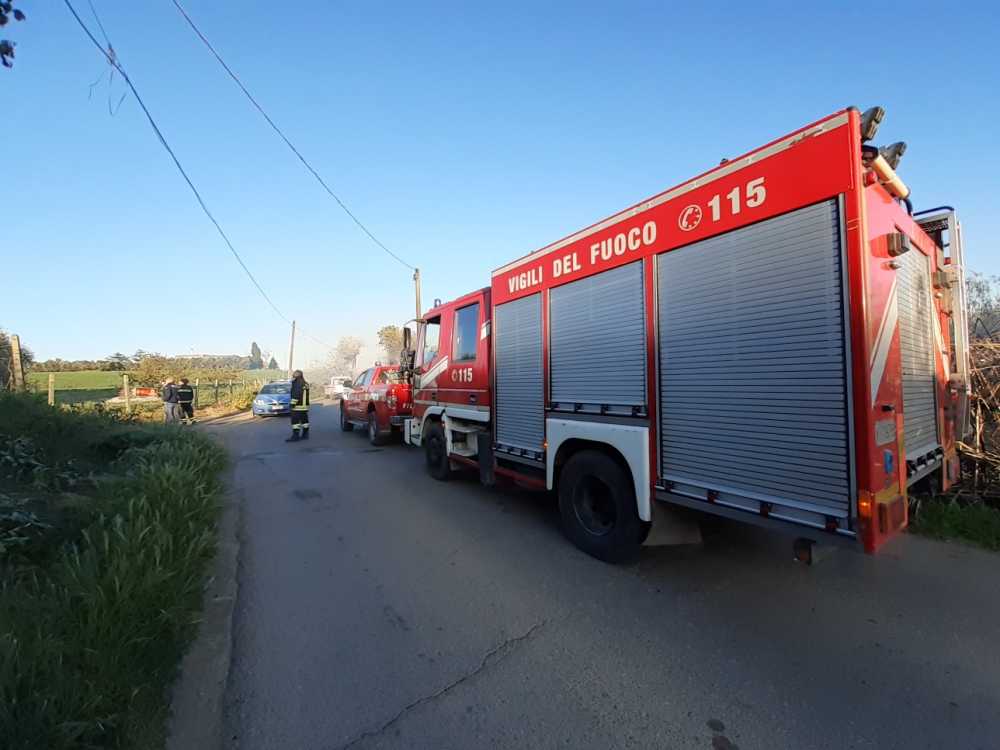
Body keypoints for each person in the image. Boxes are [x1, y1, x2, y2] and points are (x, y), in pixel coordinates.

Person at [287, 370, 310, 442]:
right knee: (304, 421)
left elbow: (296, 394)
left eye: (293, 376)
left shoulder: (297, 383)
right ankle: (305, 434)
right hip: (304, 407)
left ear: (296, 376)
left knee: (295, 422)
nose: (293, 377)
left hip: (297, 407)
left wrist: (292, 404)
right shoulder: (305, 383)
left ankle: (295, 436)